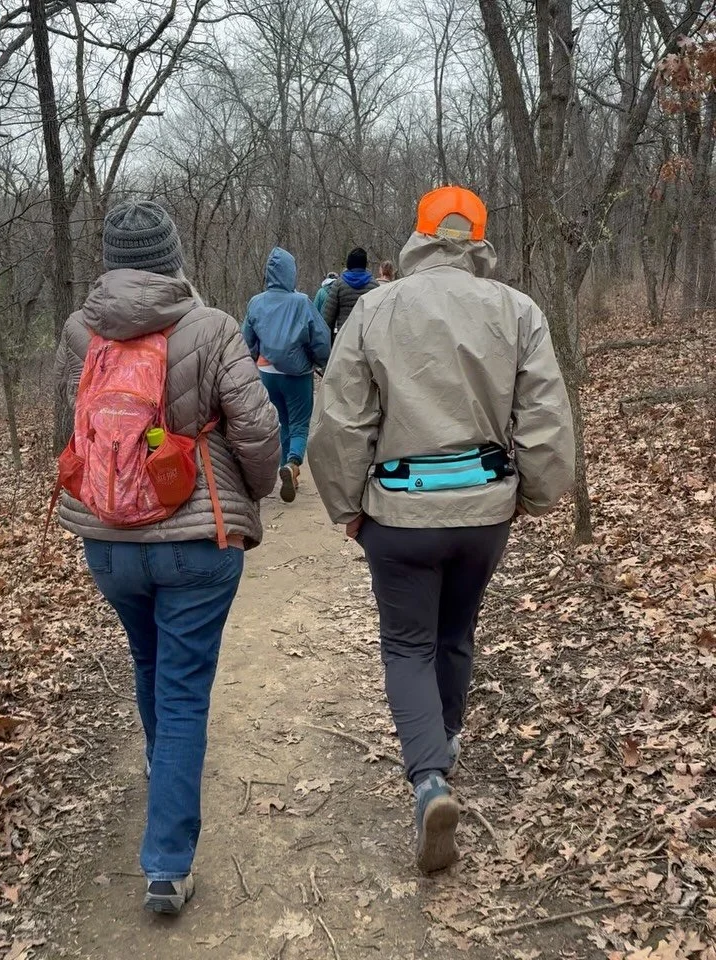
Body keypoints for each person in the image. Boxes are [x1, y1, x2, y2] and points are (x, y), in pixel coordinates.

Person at [309, 186, 574, 875]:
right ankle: (446, 741)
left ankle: (430, 778)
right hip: (485, 512)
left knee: (406, 643)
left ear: (420, 235)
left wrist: (347, 506)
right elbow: (544, 417)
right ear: (477, 238)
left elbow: (341, 422)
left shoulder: (373, 308)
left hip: (398, 514)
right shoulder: (517, 311)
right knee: (456, 633)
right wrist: (535, 495)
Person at [54, 201, 281, 914]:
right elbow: (255, 429)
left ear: (110, 258)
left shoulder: (78, 331)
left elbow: (75, 423)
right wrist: (263, 488)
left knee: (149, 663)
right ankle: (168, 863)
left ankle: (163, 772)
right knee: (183, 688)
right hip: (195, 540)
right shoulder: (210, 327)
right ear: (172, 254)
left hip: (109, 541)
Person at [242, 247, 331, 503]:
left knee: (281, 421)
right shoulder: (301, 302)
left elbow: (246, 340)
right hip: (297, 373)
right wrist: (323, 362)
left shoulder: (256, 302)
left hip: (266, 373)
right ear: (291, 272)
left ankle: (283, 466)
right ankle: (292, 466)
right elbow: (321, 339)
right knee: (300, 423)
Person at [322, 247, 378, 341]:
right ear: (365, 264)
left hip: (344, 340)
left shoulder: (339, 285)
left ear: (349, 263)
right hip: (367, 340)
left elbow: (328, 319)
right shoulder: (374, 286)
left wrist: (330, 344)